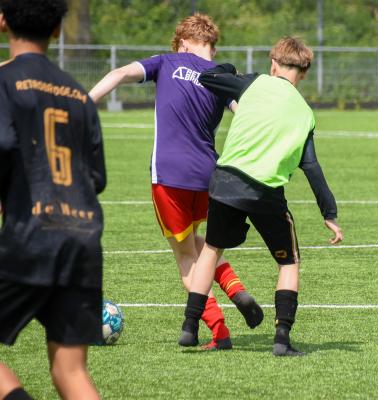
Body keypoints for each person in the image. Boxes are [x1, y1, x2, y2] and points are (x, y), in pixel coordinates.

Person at [89, 14, 263, 350]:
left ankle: (218, 330)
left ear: (183, 41)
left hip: (169, 174)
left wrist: (83, 103)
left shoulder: (166, 61)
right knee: (201, 243)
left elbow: (120, 73)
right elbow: (245, 115)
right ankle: (236, 290)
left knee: (185, 257)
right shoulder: (224, 75)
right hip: (208, 175)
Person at [177, 37, 344, 356]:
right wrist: (329, 213)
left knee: (211, 250)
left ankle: (189, 327)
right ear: (304, 74)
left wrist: (229, 68)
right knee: (289, 262)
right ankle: (282, 339)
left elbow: (207, 77)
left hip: (225, 180)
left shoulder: (253, 83)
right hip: (265, 191)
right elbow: (312, 167)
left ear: (273, 65)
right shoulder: (306, 114)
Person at [0, 0, 105, 398]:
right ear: (58, 29)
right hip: (82, 237)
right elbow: (96, 177)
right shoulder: (78, 95)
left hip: (30, 235)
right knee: (70, 371)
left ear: (2, 21)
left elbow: (4, 143)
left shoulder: (4, 82)